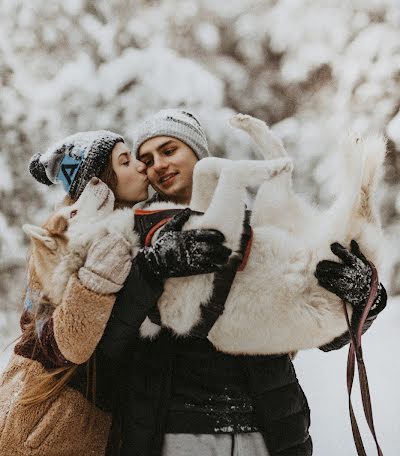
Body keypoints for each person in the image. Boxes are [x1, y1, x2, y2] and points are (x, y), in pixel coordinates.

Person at [99, 109, 387, 456]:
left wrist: (361, 301)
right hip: (174, 431)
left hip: (266, 430)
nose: (158, 164)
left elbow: (311, 324)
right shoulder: (133, 236)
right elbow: (110, 340)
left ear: (198, 154)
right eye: (147, 159)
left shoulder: (255, 232)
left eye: (169, 150)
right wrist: (151, 269)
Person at [0, 130, 230, 456]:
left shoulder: (139, 229)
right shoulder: (67, 238)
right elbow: (60, 340)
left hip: (100, 425)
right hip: (43, 425)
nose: (141, 167)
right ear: (99, 183)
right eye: (126, 161)